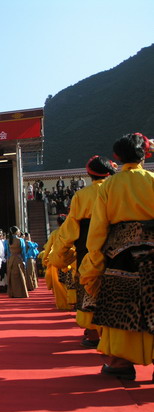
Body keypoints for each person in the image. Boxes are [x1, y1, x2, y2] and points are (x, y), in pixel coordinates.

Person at [79, 133, 154, 380]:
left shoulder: (110, 186)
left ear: (118, 157)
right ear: (144, 155)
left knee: (121, 307)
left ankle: (121, 362)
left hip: (121, 252)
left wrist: (93, 260)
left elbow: (98, 228)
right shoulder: (152, 180)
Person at [50, 156, 116, 348]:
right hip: (116, 243)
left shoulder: (82, 195)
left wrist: (59, 254)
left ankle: (93, 333)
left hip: (87, 245)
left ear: (89, 174)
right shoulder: (116, 190)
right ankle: (115, 335)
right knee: (115, 288)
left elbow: (71, 228)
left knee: (88, 287)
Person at [4, 226, 29, 298]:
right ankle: (20, 293)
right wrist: (24, 261)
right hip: (18, 258)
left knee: (12, 277)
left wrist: (9, 260)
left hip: (11, 259)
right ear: (16, 232)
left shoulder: (8, 241)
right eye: (18, 230)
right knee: (20, 276)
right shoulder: (20, 240)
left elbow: (7, 252)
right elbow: (23, 252)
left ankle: (13, 293)